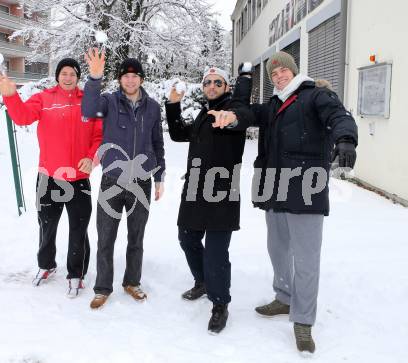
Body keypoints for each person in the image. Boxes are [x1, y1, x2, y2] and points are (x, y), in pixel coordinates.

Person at [210, 51, 358, 352]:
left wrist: (346, 139)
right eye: (273, 74)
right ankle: (284, 297)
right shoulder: (275, 104)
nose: (278, 76)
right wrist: (233, 116)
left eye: (282, 71)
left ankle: (303, 321)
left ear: (294, 71)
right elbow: (251, 115)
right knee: (277, 248)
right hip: (274, 190)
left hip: (306, 190)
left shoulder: (315, 96)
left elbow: (339, 116)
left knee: (305, 259)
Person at [0, 58, 103, 297]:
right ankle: (46, 265)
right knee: (47, 225)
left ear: (77, 77)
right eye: (63, 73)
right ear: (57, 76)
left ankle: (76, 273)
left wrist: (91, 158)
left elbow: (99, 136)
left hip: (78, 178)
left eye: (72, 74)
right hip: (48, 178)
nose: (67, 77)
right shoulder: (43, 99)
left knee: (78, 227)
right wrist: (11, 96)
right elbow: (22, 117)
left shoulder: (88, 101)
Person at [165, 67, 252, 334]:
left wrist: (245, 83)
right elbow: (180, 133)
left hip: (222, 192)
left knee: (215, 253)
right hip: (195, 189)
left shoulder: (232, 109)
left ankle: (220, 304)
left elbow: (243, 113)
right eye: (207, 82)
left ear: (226, 86)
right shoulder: (204, 112)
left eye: (218, 82)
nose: (212, 85)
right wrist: (173, 105)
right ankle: (202, 281)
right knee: (187, 238)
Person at [81, 49, 165, 308]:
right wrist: (95, 78)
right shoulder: (108, 102)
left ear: (141, 79)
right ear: (119, 79)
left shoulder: (152, 107)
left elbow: (157, 142)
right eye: (125, 76)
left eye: (135, 76)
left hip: (141, 181)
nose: (130, 80)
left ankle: (132, 281)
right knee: (105, 236)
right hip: (112, 179)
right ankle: (103, 287)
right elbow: (88, 109)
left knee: (136, 237)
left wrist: (159, 176)